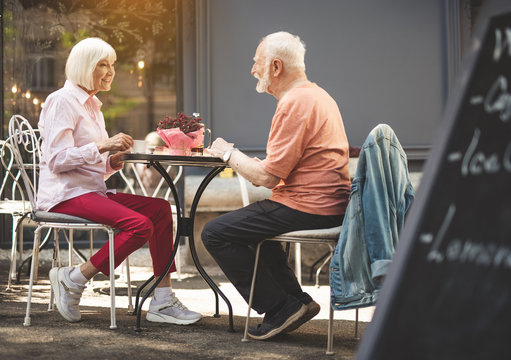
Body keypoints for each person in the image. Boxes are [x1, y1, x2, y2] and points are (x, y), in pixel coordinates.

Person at [38, 37, 201, 326]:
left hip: (91, 191)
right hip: (65, 194)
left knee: (161, 210)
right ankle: (74, 278)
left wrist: (113, 161)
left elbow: (91, 164)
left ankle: (163, 300)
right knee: (139, 225)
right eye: (103, 64)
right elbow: (56, 160)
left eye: (112, 65)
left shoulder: (93, 106)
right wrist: (102, 146)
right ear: (85, 66)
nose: (110, 71)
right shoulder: (61, 101)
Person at [202, 31, 351, 340]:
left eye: (257, 63)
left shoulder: (294, 102)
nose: (253, 70)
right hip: (329, 203)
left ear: (276, 67)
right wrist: (249, 161)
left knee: (215, 233)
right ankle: (296, 302)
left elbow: (266, 178)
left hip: (310, 205)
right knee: (258, 233)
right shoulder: (317, 95)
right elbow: (283, 165)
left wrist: (227, 154)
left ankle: (279, 307)